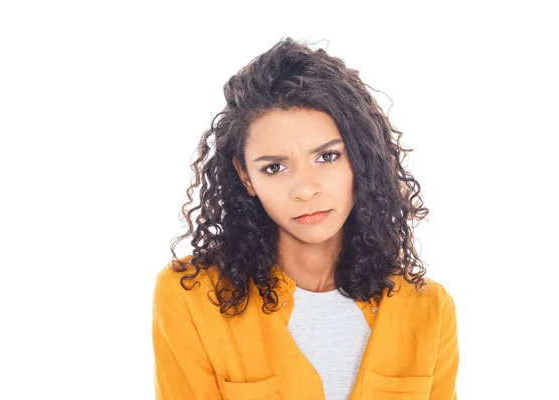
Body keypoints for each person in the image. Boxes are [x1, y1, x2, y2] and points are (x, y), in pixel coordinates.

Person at [152, 37, 459, 400]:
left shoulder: (427, 308)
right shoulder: (193, 296)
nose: (304, 189)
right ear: (246, 176)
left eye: (327, 157)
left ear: (358, 159)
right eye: (275, 167)